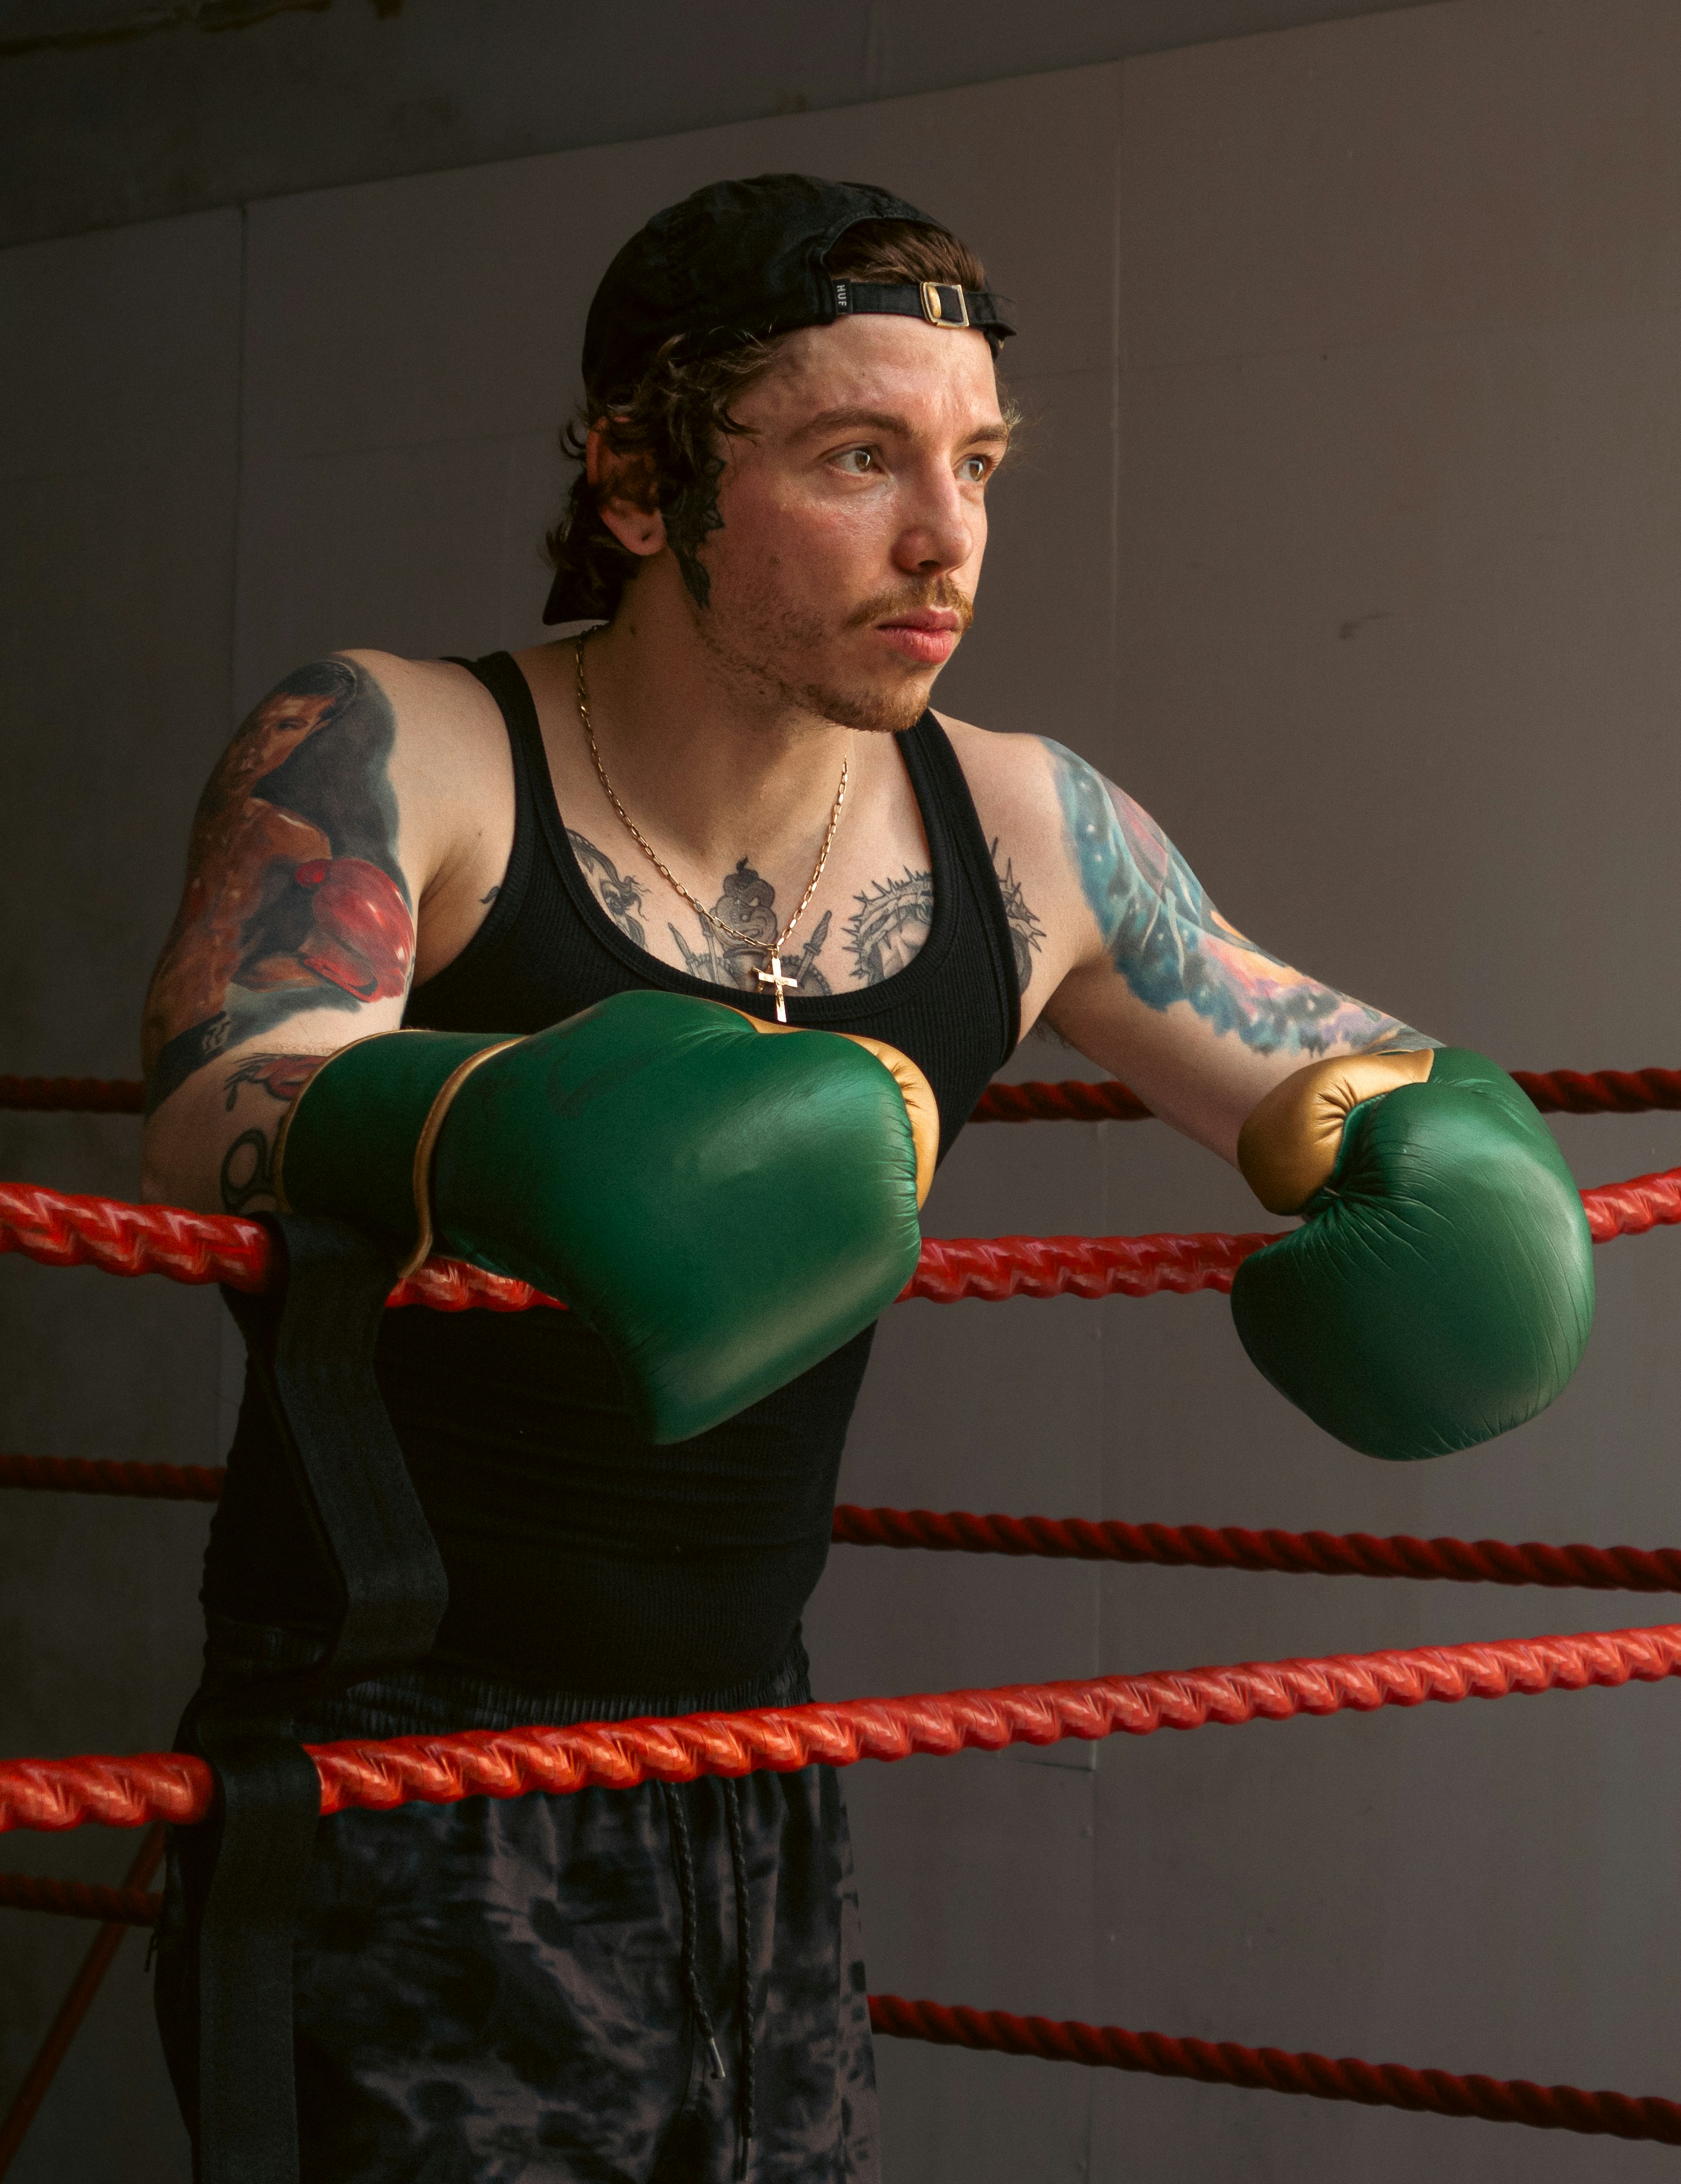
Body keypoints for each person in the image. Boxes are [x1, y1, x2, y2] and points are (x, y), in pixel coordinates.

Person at [139, 174, 1590, 2182]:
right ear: (640, 480)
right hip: (393, 1746)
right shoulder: (404, 743)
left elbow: (1341, 1059)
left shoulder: (1018, 825)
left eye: (976, 463)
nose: (947, 539)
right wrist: (517, 1123)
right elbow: (228, 1081)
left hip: (759, 1751)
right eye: (857, 458)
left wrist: (1463, 1168)